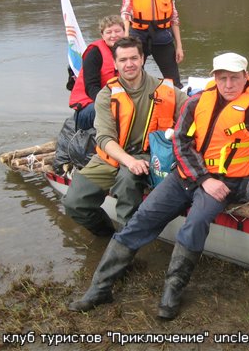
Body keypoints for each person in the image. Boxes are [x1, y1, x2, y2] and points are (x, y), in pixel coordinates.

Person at [68, 52, 249, 319]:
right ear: (215, 77)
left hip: (224, 182)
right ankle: (100, 289)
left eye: (234, 79)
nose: (229, 85)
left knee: (194, 225)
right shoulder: (196, 102)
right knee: (142, 219)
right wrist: (202, 178)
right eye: (223, 78)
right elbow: (180, 142)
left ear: (245, 77)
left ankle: (172, 291)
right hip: (187, 176)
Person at [63, 37, 188, 236]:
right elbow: (104, 139)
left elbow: (196, 112)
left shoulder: (166, 90)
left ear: (142, 59)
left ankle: (126, 244)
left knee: (127, 181)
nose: (129, 64)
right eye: (123, 60)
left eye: (133, 58)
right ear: (115, 63)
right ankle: (109, 238)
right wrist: (128, 160)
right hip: (111, 157)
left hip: (147, 155)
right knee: (74, 203)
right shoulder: (106, 95)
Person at [121, 0, 184, 88]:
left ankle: (177, 104)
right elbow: (126, 12)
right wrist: (126, 37)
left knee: (174, 81)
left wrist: (179, 46)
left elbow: (174, 16)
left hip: (162, 35)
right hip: (138, 35)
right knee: (134, 79)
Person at [68, 15, 123, 130]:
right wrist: (112, 103)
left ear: (124, 31)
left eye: (117, 31)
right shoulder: (94, 53)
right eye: (109, 32)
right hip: (89, 107)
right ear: (102, 35)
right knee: (118, 110)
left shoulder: (129, 51)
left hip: (118, 101)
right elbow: (91, 87)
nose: (113, 35)